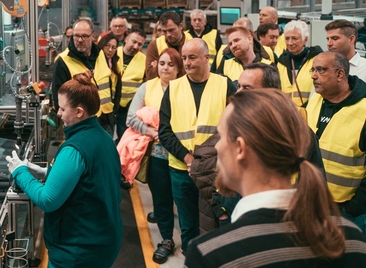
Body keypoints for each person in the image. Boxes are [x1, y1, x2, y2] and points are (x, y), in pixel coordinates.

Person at [184, 89, 366, 268]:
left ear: (240, 148)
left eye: (221, 136)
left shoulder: (212, 255)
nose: (216, 147)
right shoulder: (351, 240)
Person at [190, 63, 325, 235]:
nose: (238, 94)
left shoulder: (297, 133)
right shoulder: (235, 127)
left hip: (279, 221)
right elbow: (207, 167)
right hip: (233, 216)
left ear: (270, 92)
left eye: (247, 88)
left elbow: (316, 177)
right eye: (238, 86)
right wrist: (221, 208)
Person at [6, 71, 122, 267]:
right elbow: (91, 179)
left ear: (79, 112)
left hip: (78, 250)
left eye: (62, 109)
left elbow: (47, 200)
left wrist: (20, 172)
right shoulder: (102, 137)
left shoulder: (74, 149)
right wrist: (46, 172)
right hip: (103, 238)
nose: (58, 113)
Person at [159, 38, 237, 255]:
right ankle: (191, 257)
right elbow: (164, 131)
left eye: (192, 57)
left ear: (207, 58)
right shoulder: (174, 88)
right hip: (181, 170)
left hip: (215, 170)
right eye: (184, 58)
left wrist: (206, 161)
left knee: (216, 221)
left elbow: (235, 125)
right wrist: (187, 158)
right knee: (188, 224)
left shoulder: (224, 85)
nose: (187, 63)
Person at [307, 51, 366, 239]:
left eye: (321, 70)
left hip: (345, 211)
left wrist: (354, 208)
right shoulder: (314, 100)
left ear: (340, 74)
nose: (314, 75)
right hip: (311, 202)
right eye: (313, 70)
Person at [126, 48, 185, 264]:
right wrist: (153, 132)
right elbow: (131, 118)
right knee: (161, 200)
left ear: (179, 68)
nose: (166, 68)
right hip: (157, 155)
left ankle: (188, 241)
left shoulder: (186, 88)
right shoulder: (147, 87)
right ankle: (167, 240)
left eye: (171, 64)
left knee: (184, 199)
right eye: (162, 63)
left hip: (181, 155)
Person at [324, 19, 366, 121]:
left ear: (351, 39)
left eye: (335, 38)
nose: (329, 43)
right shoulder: (325, 68)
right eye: (328, 39)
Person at [51, 18, 101, 111]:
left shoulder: (101, 54)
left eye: (85, 36)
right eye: (76, 36)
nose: (80, 40)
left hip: (104, 118)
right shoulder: (62, 61)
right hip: (79, 120)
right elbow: (58, 97)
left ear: (93, 36)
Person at [276, 20, 323, 107]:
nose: (290, 43)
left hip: (310, 111)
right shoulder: (281, 62)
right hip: (286, 112)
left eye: (294, 38)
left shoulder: (317, 60)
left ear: (305, 40)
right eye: (287, 38)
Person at [116, 30, 147, 140]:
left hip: (129, 107)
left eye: (140, 44)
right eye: (133, 41)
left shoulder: (144, 60)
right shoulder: (113, 52)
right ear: (126, 39)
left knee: (124, 137)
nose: (135, 46)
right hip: (110, 105)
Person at [145, 11, 193, 80]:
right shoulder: (154, 45)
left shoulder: (193, 43)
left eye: (171, 30)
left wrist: (159, 68)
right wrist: (182, 68)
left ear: (181, 26)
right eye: (164, 31)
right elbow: (150, 75)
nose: (168, 35)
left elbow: (196, 72)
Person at [96, 34, 122, 137]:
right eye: (107, 45)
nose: (110, 50)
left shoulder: (116, 64)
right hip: (95, 112)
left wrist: (114, 109)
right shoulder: (95, 62)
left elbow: (118, 90)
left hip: (109, 112)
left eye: (114, 47)